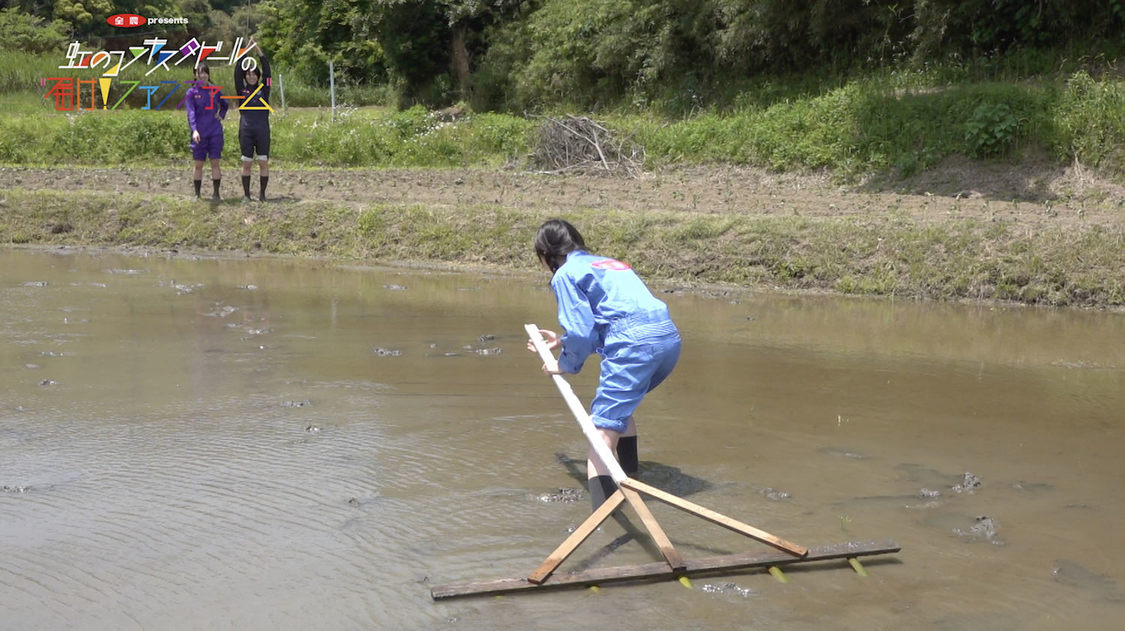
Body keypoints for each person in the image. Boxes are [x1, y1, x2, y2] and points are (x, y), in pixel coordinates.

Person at [527, 219, 681, 511]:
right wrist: (563, 340)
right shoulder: (610, 264)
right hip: (667, 339)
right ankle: (632, 480)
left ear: (546, 254)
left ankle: (605, 520)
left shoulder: (565, 274)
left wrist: (565, 364)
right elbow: (619, 318)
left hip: (634, 344)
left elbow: (583, 333)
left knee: (600, 434)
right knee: (621, 411)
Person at [234, 42, 272, 202]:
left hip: (262, 131)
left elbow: (268, 74)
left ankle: (262, 195)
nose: (251, 77)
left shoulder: (264, 89)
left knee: (263, 162)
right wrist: (245, 52)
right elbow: (237, 72)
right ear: (245, 76)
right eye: (248, 74)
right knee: (247, 164)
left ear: (258, 76)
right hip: (246, 131)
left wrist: (259, 52)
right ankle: (247, 195)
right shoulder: (241, 90)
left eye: (254, 74)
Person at [185, 63, 228, 201]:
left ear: (208, 75)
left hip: (215, 132)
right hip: (199, 133)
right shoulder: (191, 93)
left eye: (205, 72)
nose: (202, 75)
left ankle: (216, 194)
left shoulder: (215, 90)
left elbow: (225, 104)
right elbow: (191, 113)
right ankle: (197, 195)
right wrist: (194, 130)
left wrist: (221, 115)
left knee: (215, 162)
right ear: (195, 75)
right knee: (198, 165)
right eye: (199, 73)